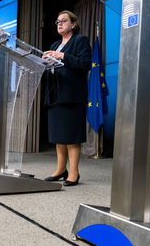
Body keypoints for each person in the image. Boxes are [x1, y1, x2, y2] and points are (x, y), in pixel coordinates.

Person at [42, 10, 91, 186]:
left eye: (63, 21)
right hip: (55, 95)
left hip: (72, 95)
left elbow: (85, 64)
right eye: (57, 22)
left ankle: (74, 172)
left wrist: (62, 56)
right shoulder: (55, 44)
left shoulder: (80, 41)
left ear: (73, 24)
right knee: (59, 136)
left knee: (71, 136)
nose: (59, 24)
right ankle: (60, 169)